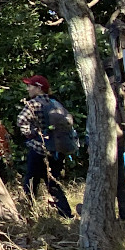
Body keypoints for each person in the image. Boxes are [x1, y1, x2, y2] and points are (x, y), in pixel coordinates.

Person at [16, 75, 73, 218]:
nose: (28, 88)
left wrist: (31, 133)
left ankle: (28, 213)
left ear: (39, 88)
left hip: (38, 149)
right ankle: (66, 213)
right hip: (56, 150)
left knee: (30, 181)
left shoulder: (33, 103)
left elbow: (21, 120)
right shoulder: (55, 103)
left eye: (30, 86)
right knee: (53, 182)